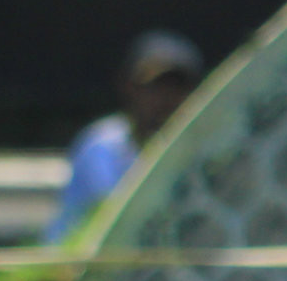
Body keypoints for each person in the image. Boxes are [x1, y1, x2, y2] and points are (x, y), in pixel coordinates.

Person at [45, 30, 206, 241]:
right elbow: (122, 222)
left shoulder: (200, 151)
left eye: (176, 87)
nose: (165, 99)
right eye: (154, 87)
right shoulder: (101, 146)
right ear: (129, 87)